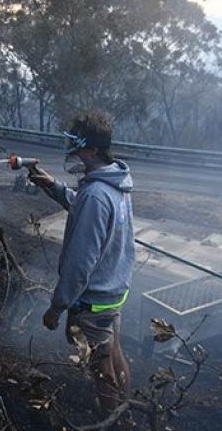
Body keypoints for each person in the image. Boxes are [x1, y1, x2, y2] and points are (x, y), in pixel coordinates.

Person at [29, 112, 134, 421]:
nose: (71, 149)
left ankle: (110, 422)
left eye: (76, 144)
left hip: (93, 300)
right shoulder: (115, 181)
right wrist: (52, 186)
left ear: (90, 151)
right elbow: (87, 206)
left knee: (102, 371)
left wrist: (56, 308)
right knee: (115, 355)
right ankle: (126, 413)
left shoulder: (95, 195)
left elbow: (79, 265)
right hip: (114, 292)